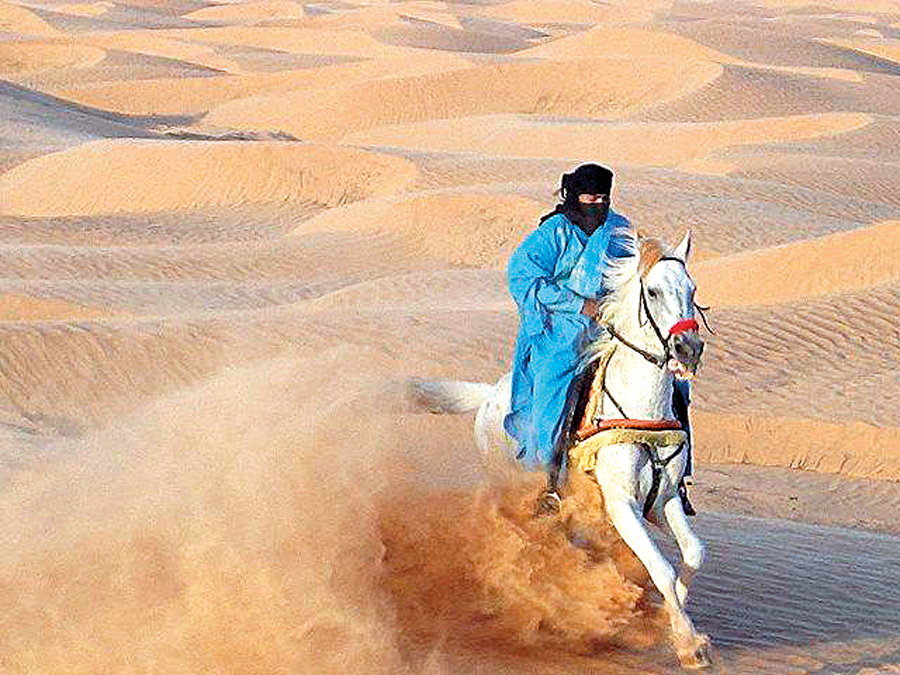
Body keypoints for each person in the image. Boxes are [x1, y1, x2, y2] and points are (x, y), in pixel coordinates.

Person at [503, 164, 695, 515]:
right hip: (559, 329)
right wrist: (579, 304)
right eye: (590, 197)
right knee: (554, 392)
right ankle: (547, 482)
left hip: (610, 326)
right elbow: (523, 277)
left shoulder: (619, 229)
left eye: (603, 197)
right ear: (574, 196)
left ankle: (678, 480)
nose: (597, 203)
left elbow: (635, 275)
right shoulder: (553, 234)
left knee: (676, 385)